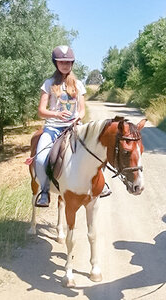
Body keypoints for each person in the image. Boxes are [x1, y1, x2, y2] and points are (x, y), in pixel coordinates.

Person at [35, 45, 112, 207]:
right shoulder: (48, 84)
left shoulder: (78, 84)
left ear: (72, 63)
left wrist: (78, 117)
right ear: (55, 63)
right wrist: (55, 114)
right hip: (53, 128)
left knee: (97, 150)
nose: (65, 65)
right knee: (41, 159)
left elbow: (82, 110)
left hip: (75, 127)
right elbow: (41, 111)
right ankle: (44, 190)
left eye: (68, 62)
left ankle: (101, 183)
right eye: (61, 62)